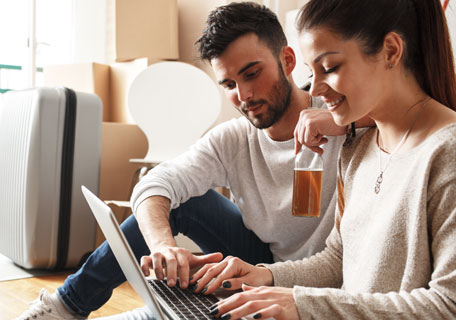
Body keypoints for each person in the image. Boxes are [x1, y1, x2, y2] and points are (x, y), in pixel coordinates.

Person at [14, 2, 366, 319]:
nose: (243, 96)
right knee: (182, 200)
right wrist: (164, 248)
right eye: (228, 83)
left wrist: (345, 121)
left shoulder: (343, 115)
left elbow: (407, 113)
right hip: (259, 262)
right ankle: (65, 307)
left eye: (252, 73)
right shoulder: (233, 138)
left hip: (319, 278)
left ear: (287, 61)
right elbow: (155, 182)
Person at [187, 0, 456, 319]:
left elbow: (447, 304)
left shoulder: (445, 153)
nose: (314, 88)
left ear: (391, 51)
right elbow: (337, 258)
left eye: (329, 68)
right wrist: (265, 277)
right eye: (311, 71)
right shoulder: (358, 146)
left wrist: (302, 304)